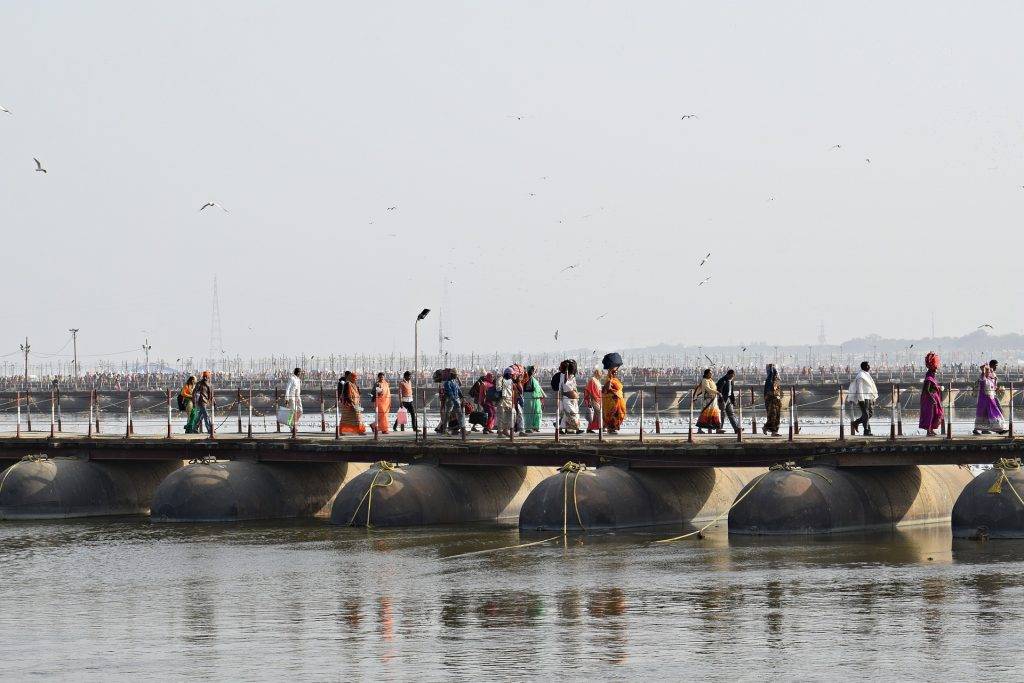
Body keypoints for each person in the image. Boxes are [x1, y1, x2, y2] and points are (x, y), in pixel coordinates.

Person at [847, 361, 878, 436]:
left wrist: (873, 398)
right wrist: (861, 399)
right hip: (863, 398)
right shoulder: (860, 376)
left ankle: (856, 422)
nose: (869, 367)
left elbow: (870, 388)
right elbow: (859, 388)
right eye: (867, 366)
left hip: (869, 397)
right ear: (864, 367)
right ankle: (866, 431)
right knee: (866, 415)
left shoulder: (866, 375)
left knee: (870, 414)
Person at [974, 364, 1007, 434]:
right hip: (984, 399)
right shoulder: (983, 378)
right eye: (987, 372)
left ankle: (996, 429)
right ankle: (999, 430)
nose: (989, 373)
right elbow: (982, 375)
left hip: (991, 399)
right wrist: (983, 369)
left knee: (990, 414)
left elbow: (994, 388)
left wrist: (999, 388)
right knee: (988, 414)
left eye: (989, 372)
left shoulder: (990, 380)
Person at [919, 352, 944, 437]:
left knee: (936, 414)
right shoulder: (929, 378)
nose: (936, 371)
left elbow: (932, 388)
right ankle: (928, 431)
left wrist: (938, 388)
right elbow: (927, 389)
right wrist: (932, 399)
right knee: (930, 415)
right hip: (930, 400)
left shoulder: (932, 377)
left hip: (933, 399)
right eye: (935, 369)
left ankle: (932, 429)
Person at [693, 369, 723, 434]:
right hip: (707, 400)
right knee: (704, 413)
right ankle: (699, 429)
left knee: (715, 414)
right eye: (710, 373)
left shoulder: (711, 380)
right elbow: (708, 389)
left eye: (711, 373)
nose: (711, 374)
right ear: (706, 374)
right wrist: (717, 392)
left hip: (713, 400)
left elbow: (714, 388)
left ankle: (717, 429)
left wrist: (716, 392)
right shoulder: (704, 381)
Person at [339, 370, 366, 435]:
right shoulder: (347, 384)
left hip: (355, 403)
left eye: (356, 378)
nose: (355, 379)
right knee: (346, 418)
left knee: (358, 417)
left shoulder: (354, 384)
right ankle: (341, 431)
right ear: (351, 377)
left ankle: (360, 431)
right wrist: (350, 402)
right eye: (354, 378)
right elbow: (346, 394)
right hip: (349, 404)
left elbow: (357, 393)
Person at [558, 363, 582, 434]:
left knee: (569, 415)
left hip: (574, 400)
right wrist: (567, 369)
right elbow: (564, 384)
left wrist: (577, 395)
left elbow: (575, 387)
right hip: (566, 399)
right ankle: (577, 428)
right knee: (572, 413)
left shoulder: (573, 377)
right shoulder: (563, 376)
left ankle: (561, 429)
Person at [602, 366, 626, 434]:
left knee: (620, 414)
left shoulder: (616, 380)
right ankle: (611, 428)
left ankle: (614, 428)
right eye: (614, 372)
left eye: (616, 372)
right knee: (613, 415)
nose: (615, 373)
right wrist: (614, 392)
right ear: (610, 373)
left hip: (619, 400)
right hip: (612, 401)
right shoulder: (609, 380)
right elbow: (607, 389)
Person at [522, 366, 546, 433]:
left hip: (537, 398)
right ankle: (528, 428)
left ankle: (536, 427)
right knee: (528, 413)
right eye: (532, 370)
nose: (533, 372)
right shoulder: (525, 379)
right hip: (529, 397)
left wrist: (542, 396)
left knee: (538, 413)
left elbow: (539, 389)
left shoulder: (534, 380)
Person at [715, 369, 740, 434]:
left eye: (733, 376)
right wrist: (721, 399)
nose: (732, 377)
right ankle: (719, 429)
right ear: (728, 374)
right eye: (731, 376)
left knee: (731, 414)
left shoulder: (731, 381)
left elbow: (731, 392)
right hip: (722, 400)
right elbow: (718, 390)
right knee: (722, 415)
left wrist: (733, 401)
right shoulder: (722, 380)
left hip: (728, 399)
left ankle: (736, 428)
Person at [762, 364, 782, 437]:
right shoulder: (769, 380)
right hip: (771, 401)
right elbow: (767, 393)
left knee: (777, 416)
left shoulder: (776, 381)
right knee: (772, 416)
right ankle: (770, 429)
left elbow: (778, 391)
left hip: (777, 401)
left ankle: (774, 431)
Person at [496, 368, 516, 436]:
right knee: (501, 417)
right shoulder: (500, 379)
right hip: (502, 400)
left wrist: (513, 402)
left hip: (509, 401)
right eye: (510, 374)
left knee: (509, 417)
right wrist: (504, 388)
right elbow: (498, 388)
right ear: (507, 373)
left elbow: (512, 391)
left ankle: (505, 430)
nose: (511, 375)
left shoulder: (511, 381)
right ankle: (500, 432)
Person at [584, 367, 603, 433]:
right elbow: (589, 390)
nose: (601, 375)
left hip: (598, 399)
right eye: (600, 373)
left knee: (595, 415)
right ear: (597, 373)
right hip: (594, 399)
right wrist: (591, 399)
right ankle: (601, 427)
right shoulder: (592, 380)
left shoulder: (597, 381)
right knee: (599, 412)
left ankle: (589, 428)